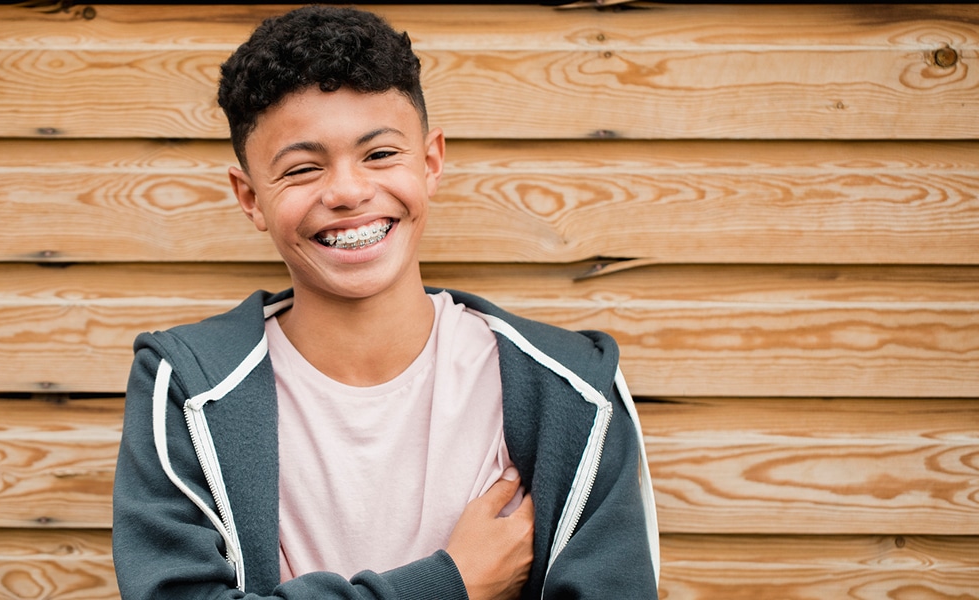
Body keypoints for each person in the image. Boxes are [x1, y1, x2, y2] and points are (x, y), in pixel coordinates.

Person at [112, 5, 659, 599]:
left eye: (379, 154)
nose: (348, 191)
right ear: (250, 198)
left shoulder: (569, 388)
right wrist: (448, 585)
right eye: (302, 168)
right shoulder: (190, 387)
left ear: (430, 163)